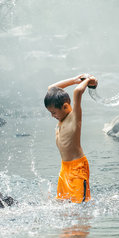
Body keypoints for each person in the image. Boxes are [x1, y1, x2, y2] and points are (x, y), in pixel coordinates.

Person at [44, 73, 98, 203]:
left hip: (77, 168)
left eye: (54, 113)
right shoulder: (62, 116)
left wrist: (88, 80)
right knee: (62, 204)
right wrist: (74, 80)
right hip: (65, 168)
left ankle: (83, 224)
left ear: (65, 106)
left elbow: (78, 91)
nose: (52, 116)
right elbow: (51, 87)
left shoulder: (74, 117)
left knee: (80, 205)